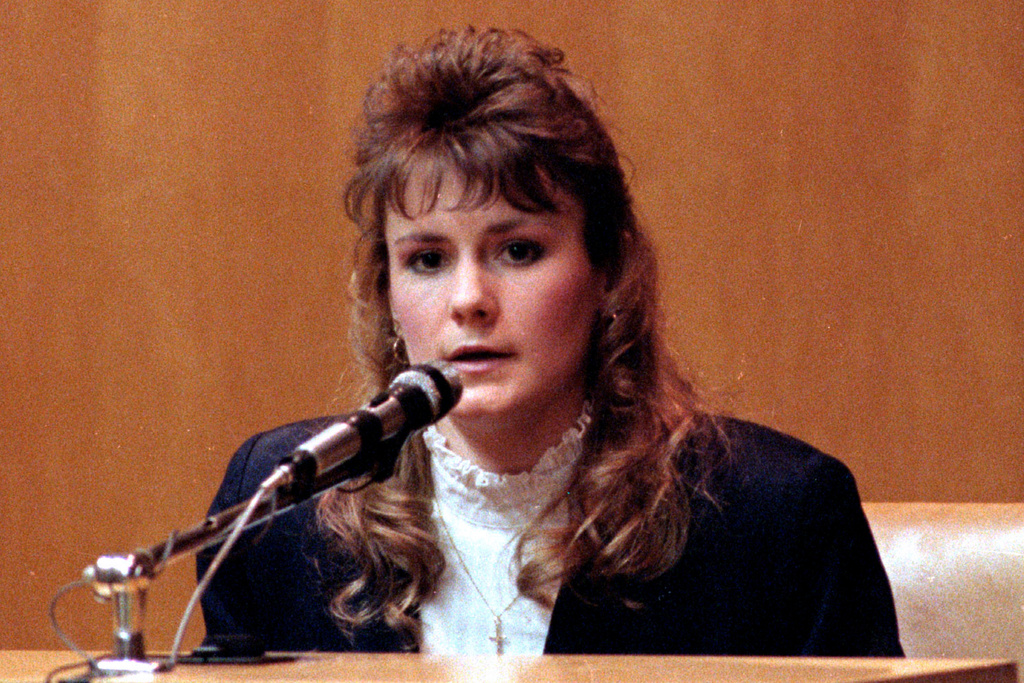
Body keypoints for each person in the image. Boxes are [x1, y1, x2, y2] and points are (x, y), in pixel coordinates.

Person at [198, 27, 902, 656]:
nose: (469, 299)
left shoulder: (773, 517)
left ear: (610, 270)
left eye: (520, 251)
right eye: (427, 259)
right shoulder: (281, 513)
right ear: (385, 292)